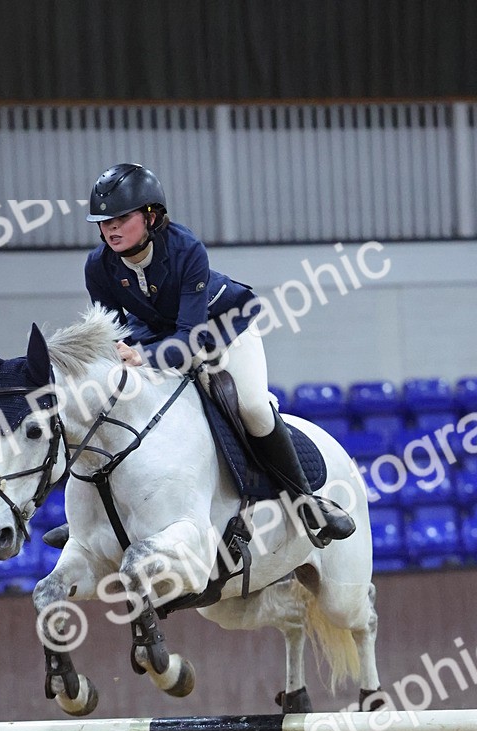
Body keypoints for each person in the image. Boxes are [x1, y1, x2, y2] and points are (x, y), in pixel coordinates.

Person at [84, 163, 355, 543]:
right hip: (158, 335)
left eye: (121, 217)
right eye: (104, 220)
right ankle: (92, 518)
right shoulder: (98, 266)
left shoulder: (185, 249)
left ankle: (305, 500)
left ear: (151, 215)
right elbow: (115, 334)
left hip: (222, 328)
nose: (110, 228)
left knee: (255, 408)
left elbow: (191, 338)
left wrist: (143, 358)